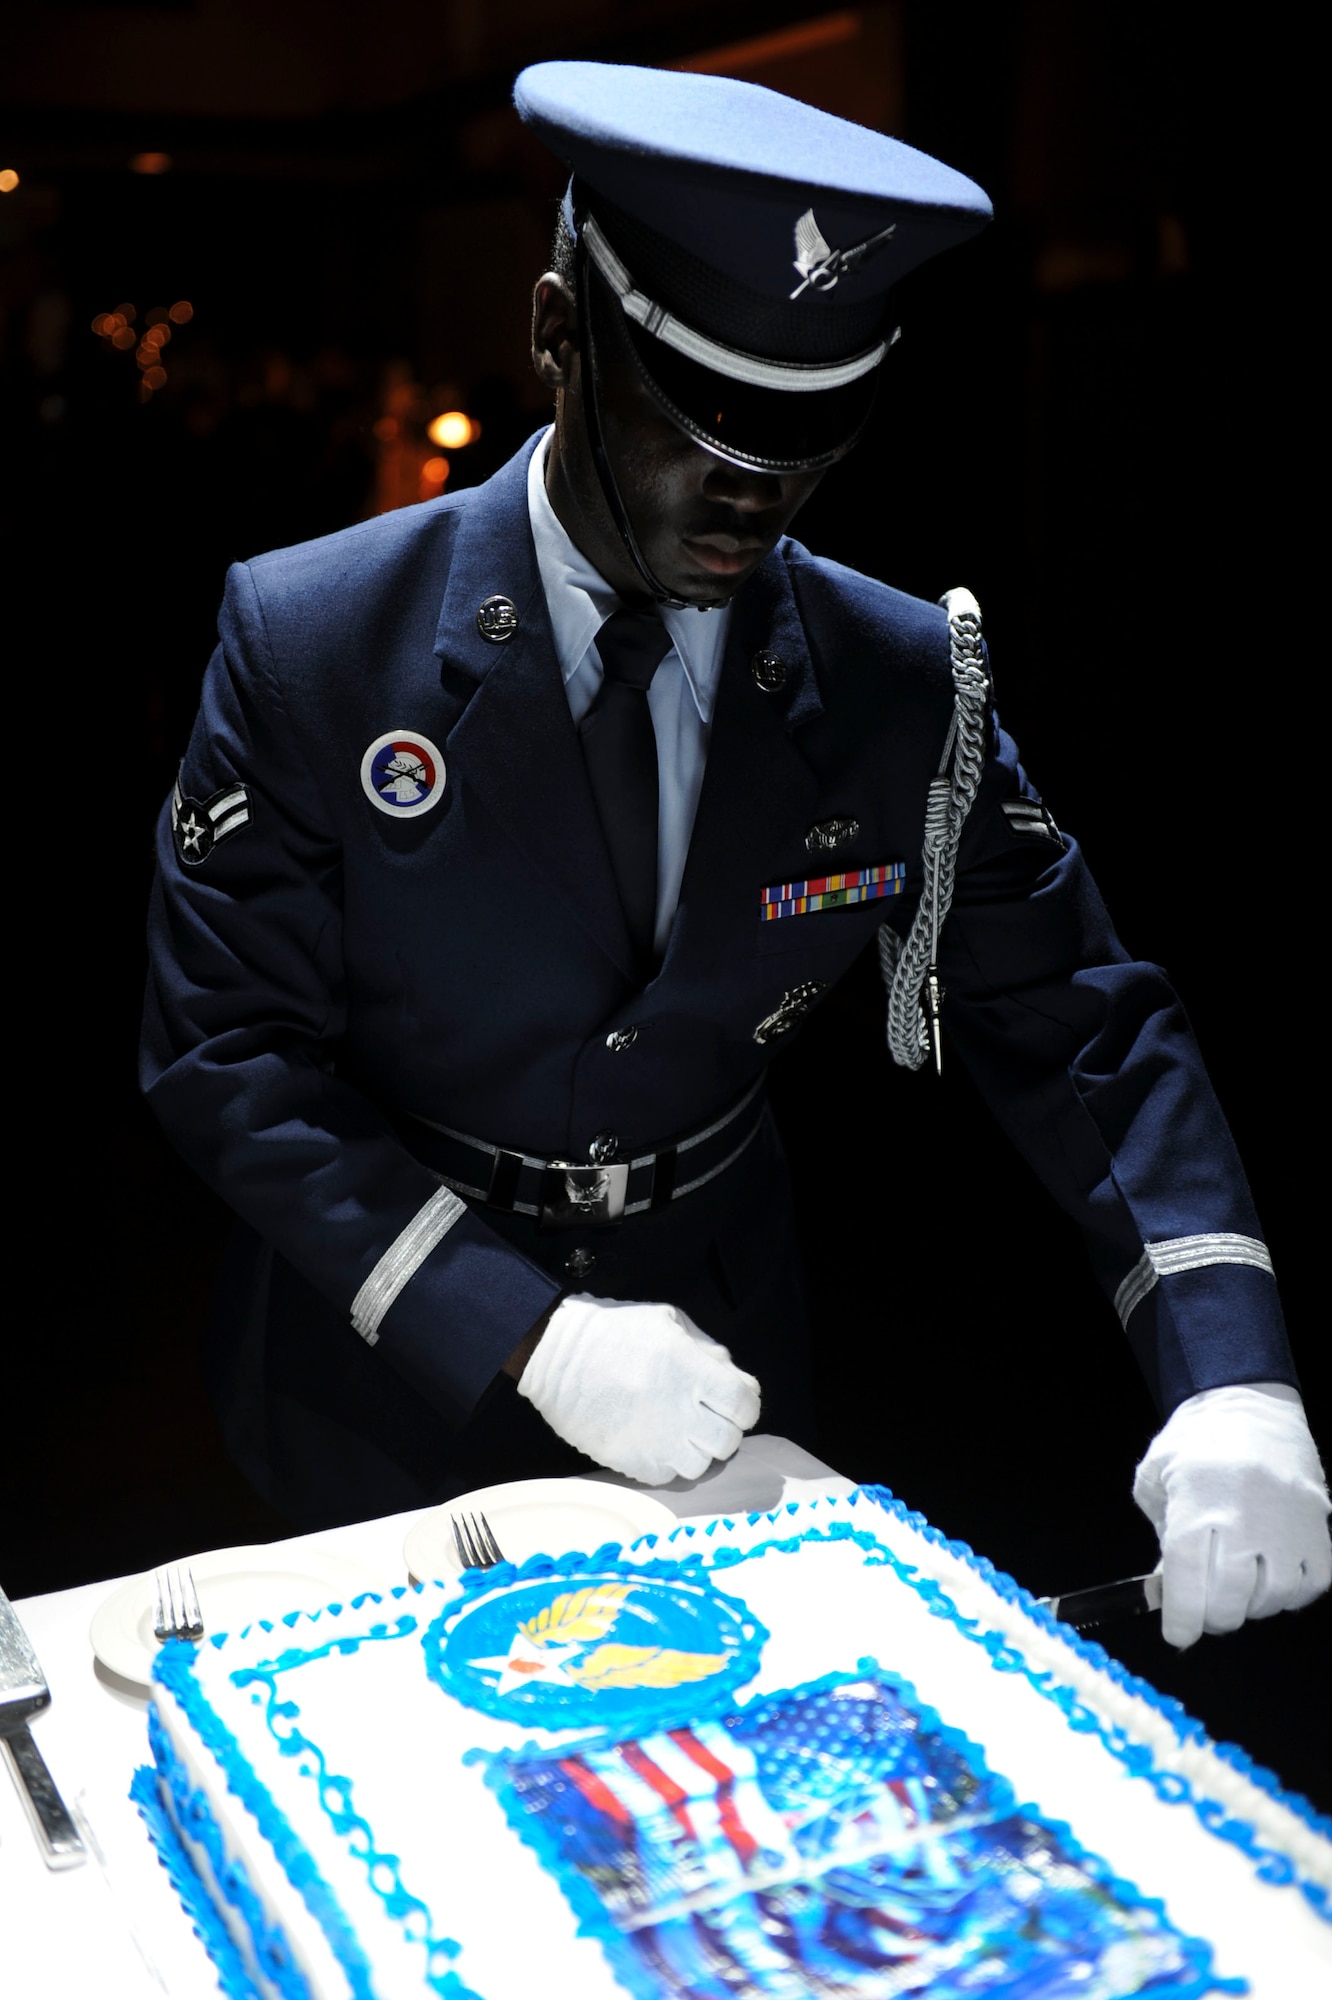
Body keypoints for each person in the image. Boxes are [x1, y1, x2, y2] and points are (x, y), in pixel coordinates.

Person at [142, 60, 1329, 1649]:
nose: (753, 498)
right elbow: (227, 1055)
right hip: (385, 1366)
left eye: (807, 441)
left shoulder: (895, 680)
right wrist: (528, 1333)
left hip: (719, 1367)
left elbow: (1086, 1025)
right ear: (561, 331)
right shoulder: (318, 640)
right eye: (703, 427)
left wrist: (1230, 1367)